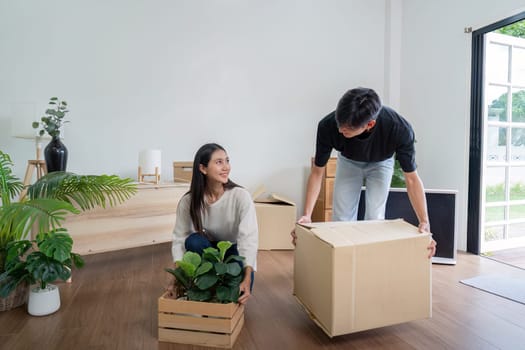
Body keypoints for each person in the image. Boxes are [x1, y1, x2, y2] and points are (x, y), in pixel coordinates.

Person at [294, 87, 436, 257]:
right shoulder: (328, 126)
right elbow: (317, 172)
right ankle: (343, 262)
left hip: (381, 163)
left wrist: (424, 221)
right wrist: (307, 215)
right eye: (340, 124)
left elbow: (412, 179)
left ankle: (368, 263)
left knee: (375, 218)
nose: (340, 130)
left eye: (347, 128)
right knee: (341, 219)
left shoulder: (399, 128)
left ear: (370, 124)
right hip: (348, 162)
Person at [169, 143, 258, 304]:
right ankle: (208, 282)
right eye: (219, 162)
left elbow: (248, 239)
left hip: (234, 251)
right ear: (203, 168)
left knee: (238, 290)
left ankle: (212, 283)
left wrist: (246, 278)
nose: (226, 167)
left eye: (227, 161)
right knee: (193, 241)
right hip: (209, 250)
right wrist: (177, 278)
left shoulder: (241, 196)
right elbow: (179, 239)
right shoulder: (189, 201)